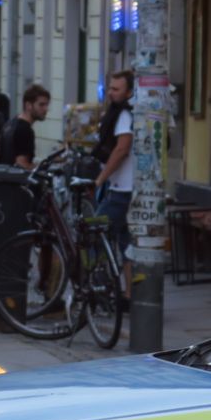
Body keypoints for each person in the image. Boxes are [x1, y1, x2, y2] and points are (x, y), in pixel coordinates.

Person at [92, 71, 136, 298]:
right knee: (125, 242)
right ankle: (128, 294)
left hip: (123, 190)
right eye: (110, 88)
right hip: (123, 187)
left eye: (116, 89)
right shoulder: (121, 112)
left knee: (93, 231)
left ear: (129, 92)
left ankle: (97, 286)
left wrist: (100, 180)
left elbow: (121, 149)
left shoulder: (125, 115)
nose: (111, 93)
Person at [0, 85, 51, 169]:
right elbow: (22, 165)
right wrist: (44, 169)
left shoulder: (11, 123)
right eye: (41, 105)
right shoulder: (25, 130)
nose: (46, 109)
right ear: (28, 105)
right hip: (14, 180)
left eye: (47, 105)